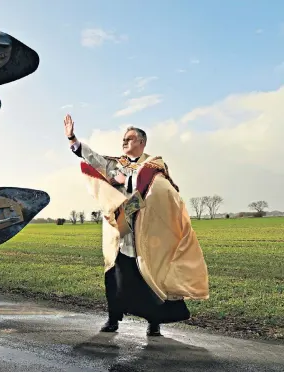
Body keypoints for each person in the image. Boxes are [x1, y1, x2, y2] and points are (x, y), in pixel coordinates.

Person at [63, 114, 209, 337]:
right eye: (123, 139)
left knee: (148, 276)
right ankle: (113, 319)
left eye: (129, 139)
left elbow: (160, 193)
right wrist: (72, 137)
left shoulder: (154, 166)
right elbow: (93, 158)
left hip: (146, 231)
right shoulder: (115, 164)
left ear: (142, 142)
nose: (124, 142)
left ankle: (154, 322)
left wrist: (127, 182)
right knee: (116, 275)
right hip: (119, 232)